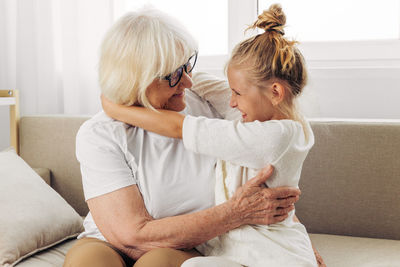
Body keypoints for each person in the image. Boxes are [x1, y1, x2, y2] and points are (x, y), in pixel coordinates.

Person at [63, 6, 304, 267]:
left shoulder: (209, 97)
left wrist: (299, 244)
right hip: (109, 240)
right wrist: (234, 213)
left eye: (187, 65)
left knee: (154, 264)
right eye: (174, 74)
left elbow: (270, 158)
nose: (187, 81)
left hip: (193, 244)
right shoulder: (100, 133)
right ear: (138, 79)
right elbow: (131, 235)